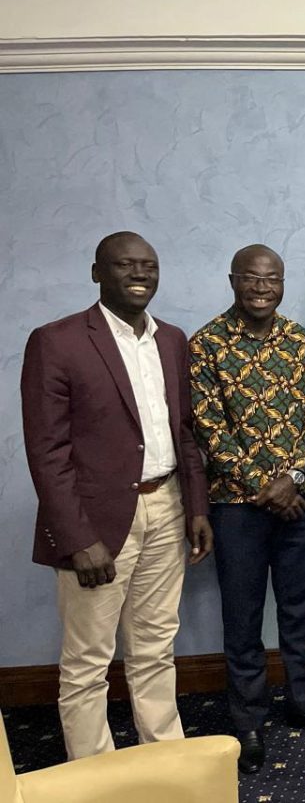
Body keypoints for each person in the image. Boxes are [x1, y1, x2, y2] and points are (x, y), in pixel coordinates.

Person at [20, 232, 212, 760]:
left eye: (149, 265)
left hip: (168, 507)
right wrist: (78, 537)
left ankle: (164, 760)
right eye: (124, 264)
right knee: (87, 661)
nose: (139, 274)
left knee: (155, 648)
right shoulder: (56, 341)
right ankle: (95, 775)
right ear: (96, 273)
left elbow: (185, 432)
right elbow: (47, 452)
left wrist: (196, 507)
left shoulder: (172, 339)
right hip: (96, 521)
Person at [190, 244, 305, 774]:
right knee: (242, 614)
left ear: (283, 283)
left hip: (299, 501)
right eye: (252, 278)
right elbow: (210, 428)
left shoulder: (302, 343)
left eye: (272, 279)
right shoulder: (207, 344)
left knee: (300, 606)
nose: (262, 288)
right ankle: (249, 720)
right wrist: (267, 486)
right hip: (237, 508)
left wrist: (294, 479)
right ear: (234, 280)